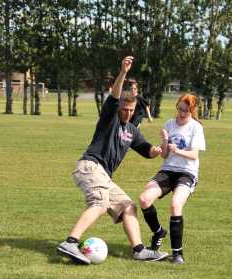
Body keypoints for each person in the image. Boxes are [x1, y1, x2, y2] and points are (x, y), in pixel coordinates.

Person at [57, 56, 169, 264]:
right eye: (124, 110)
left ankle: (139, 250)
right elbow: (115, 95)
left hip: (104, 176)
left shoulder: (133, 131)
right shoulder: (110, 118)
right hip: (90, 166)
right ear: (118, 109)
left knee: (128, 206)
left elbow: (149, 152)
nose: (127, 113)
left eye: (131, 110)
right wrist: (123, 72)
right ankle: (70, 243)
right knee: (99, 203)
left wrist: (162, 146)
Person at [139, 94, 205, 264]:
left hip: (187, 173)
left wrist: (178, 151)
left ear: (192, 110)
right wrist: (165, 141)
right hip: (168, 170)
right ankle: (159, 232)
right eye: (180, 109)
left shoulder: (195, 127)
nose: (181, 113)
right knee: (144, 199)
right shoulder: (169, 124)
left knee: (176, 205)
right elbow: (165, 156)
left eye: (186, 110)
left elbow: (194, 155)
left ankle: (177, 253)